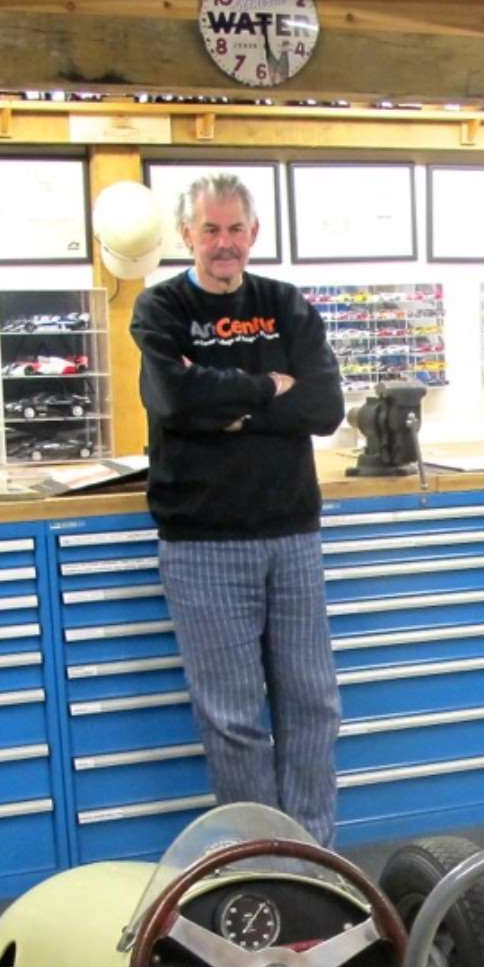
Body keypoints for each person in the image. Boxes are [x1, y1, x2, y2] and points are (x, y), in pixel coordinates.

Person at [130, 174, 346, 843]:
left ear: (254, 233)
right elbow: (174, 401)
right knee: (233, 718)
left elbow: (324, 407)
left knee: (313, 705)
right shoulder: (160, 307)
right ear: (186, 234)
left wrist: (224, 402)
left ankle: (311, 855)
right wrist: (266, 388)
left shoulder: (285, 305)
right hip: (202, 541)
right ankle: (258, 857)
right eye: (210, 229)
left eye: (235, 229)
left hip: (291, 532)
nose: (224, 244)